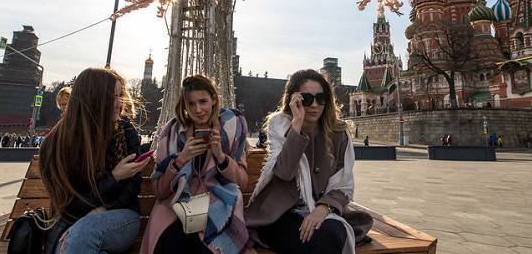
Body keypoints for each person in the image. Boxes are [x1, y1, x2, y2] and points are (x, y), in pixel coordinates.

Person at [245, 69, 373, 254]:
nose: (314, 105)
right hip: (281, 214)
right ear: (294, 100)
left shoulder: (339, 133)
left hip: (324, 211)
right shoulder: (280, 126)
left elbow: (344, 184)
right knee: (312, 240)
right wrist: (297, 124)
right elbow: (284, 172)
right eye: (307, 99)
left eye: (321, 98)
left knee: (331, 233)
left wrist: (323, 208)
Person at [40, 68, 149, 254]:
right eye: (112, 97)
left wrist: (100, 210)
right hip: (72, 219)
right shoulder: (56, 145)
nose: (119, 103)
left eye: (120, 95)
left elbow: (130, 192)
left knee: (83, 235)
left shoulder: (125, 132)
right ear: (93, 98)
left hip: (120, 216)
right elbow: (67, 205)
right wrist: (114, 177)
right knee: (79, 241)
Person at [141, 75, 250, 254]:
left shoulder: (230, 130)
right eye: (191, 104)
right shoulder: (172, 132)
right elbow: (160, 191)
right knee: (170, 245)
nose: (198, 109)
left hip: (216, 207)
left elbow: (242, 182)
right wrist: (180, 160)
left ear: (214, 100)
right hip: (177, 208)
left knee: (204, 246)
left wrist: (221, 157)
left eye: (203, 101)